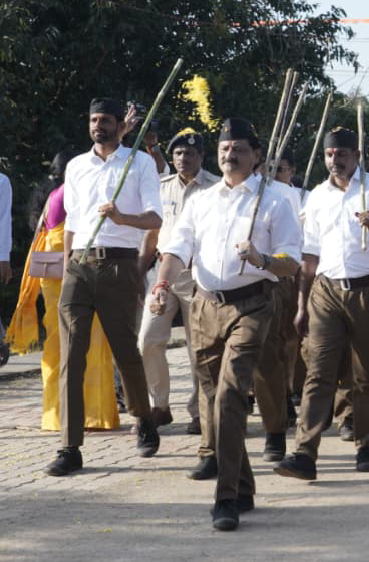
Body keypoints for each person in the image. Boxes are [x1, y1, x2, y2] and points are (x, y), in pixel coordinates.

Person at [151, 117, 302, 531]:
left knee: (232, 394)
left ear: (256, 156)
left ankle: (227, 497)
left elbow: (292, 264)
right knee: (212, 399)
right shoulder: (202, 200)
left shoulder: (274, 202)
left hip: (252, 306)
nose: (229, 155)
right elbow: (176, 248)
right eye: (224, 149)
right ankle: (245, 484)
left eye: (238, 149)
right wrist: (162, 283)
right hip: (203, 306)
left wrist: (263, 260)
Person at [273, 127, 369, 481]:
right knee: (319, 372)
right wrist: (302, 303)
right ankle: (305, 452)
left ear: (357, 156)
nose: (336, 161)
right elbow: (309, 255)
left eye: (343, 155)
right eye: (331, 155)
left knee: (365, 373)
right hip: (325, 291)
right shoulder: (317, 195)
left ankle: (364, 446)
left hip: (368, 291)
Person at [45, 98, 164, 477]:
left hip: (119, 264)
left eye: (105, 120)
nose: (99, 125)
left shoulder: (139, 162)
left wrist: (121, 216)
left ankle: (143, 418)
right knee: (71, 356)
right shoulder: (77, 166)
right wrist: (68, 269)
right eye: (93, 119)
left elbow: (154, 217)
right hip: (80, 265)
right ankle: (70, 445)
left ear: (118, 125)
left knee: (125, 351)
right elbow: (73, 225)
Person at [10, 151, 120, 432]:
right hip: (76, 273)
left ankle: (57, 414)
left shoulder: (48, 197)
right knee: (91, 340)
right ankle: (92, 413)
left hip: (51, 279)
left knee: (57, 343)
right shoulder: (72, 195)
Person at [136, 129, 219, 431]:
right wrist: (139, 271)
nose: (184, 158)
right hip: (163, 273)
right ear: (172, 157)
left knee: (198, 346)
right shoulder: (161, 187)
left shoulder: (216, 188)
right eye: (179, 153)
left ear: (202, 157)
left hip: (200, 275)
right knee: (148, 339)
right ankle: (159, 405)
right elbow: (152, 234)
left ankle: (199, 411)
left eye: (191, 153)